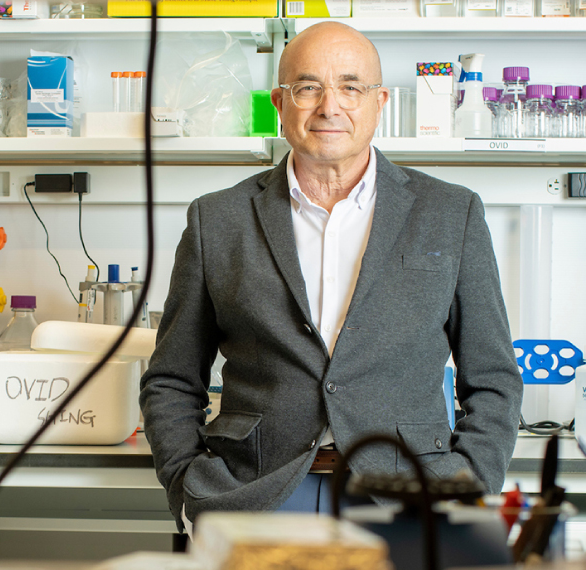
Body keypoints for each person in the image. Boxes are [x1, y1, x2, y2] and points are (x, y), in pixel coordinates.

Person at [140, 21, 523, 533]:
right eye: (308, 87)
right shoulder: (218, 218)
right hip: (253, 496)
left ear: (379, 101)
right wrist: (188, 488)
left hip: (412, 499)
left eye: (350, 86)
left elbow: (494, 377)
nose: (329, 106)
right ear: (280, 102)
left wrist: (468, 485)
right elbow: (171, 377)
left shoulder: (451, 213)